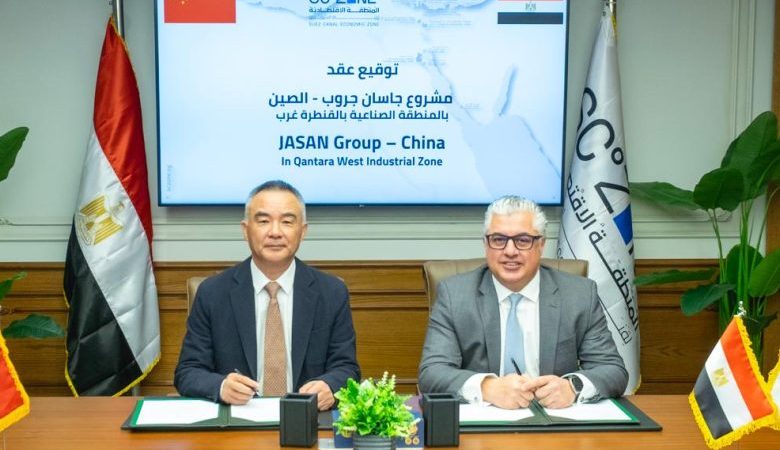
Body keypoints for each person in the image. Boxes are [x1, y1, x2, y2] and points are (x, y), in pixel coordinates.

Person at [418, 196, 627, 409]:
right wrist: (488, 387)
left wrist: (572, 387)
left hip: (555, 419)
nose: (510, 251)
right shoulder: (455, 295)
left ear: (541, 245)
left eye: (523, 240)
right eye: (498, 239)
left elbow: (613, 370)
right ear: (486, 244)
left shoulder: (579, 295)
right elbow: (432, 373)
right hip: (486, 420)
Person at [175, 180, 360, 410]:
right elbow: (188, 371)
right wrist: (221, 386)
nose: (275, 232)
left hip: (306, 418)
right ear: (245, 230)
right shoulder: (213, 292)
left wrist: (330, 386)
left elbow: (347, 368)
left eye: (287, 222)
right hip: (238, 419)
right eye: (263, 221)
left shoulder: (331, 292)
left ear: (303, 231)